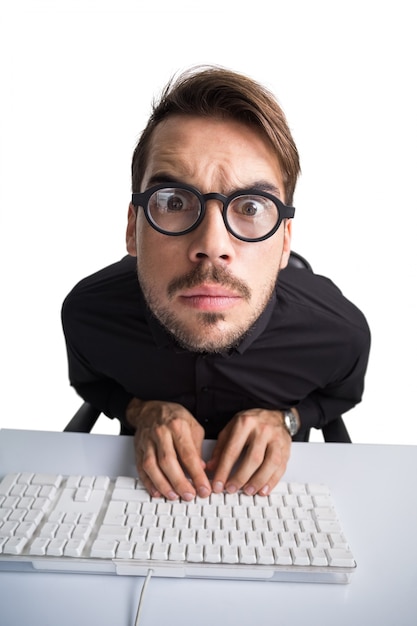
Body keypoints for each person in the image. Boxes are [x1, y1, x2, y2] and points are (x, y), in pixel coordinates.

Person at [62, 65, 371, 503]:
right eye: (173, 202)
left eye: (250, 206)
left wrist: (289, 421)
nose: (212, 245)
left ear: (285, 242)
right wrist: (140, 410)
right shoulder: (88, 314)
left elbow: (339, 395)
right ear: (133, 229)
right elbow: (95, 385)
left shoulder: (339, 332)